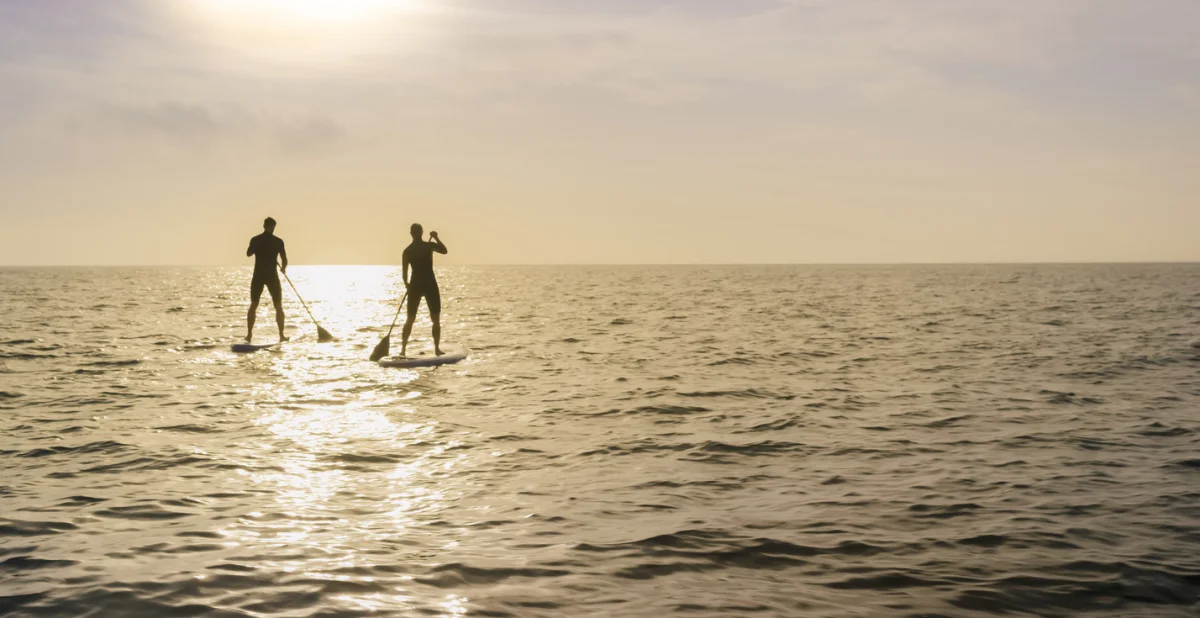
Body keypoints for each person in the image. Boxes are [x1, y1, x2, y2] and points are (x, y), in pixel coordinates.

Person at [401, 223, 448, 356]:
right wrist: (436, 238)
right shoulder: (427, 246)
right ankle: (436, 349)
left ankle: (403, 350)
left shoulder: (408, 250)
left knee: (410, 318)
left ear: (411, 233)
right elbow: (444, 250)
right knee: (435, 318)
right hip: (428, 283)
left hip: (416, 284)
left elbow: (404, 274)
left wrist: (407, 285)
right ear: (421, 232)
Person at [245, 217, 288, 342]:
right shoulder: (274, 241)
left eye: (273, 227)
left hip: (266, 276)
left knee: (278, 306)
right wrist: (284, 268)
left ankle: (281, 335)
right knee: (254, 304)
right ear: (266, 226)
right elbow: (249, 253)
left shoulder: (259, 240)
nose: (272, 229)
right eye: (271, 227)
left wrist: (284, 267)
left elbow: (284, 258)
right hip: (264, 276)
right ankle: (249, 335)